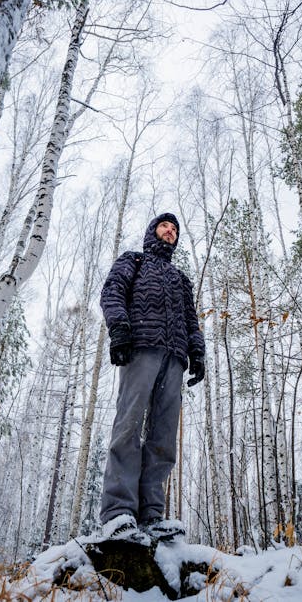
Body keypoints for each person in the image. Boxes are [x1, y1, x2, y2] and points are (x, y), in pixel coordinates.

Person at [99, 213, 205, 541]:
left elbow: (191, 319)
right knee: (128, 427)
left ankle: (151, 516)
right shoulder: (134, 260)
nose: (170, 232)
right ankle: (119, 514)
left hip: (174, 358)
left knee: (163, 437)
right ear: (152, 231)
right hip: (141, 347)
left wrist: (197, 352)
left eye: (174, 230)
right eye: (165, 227)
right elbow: (112, 292)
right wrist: (119, 329)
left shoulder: (180, 278)